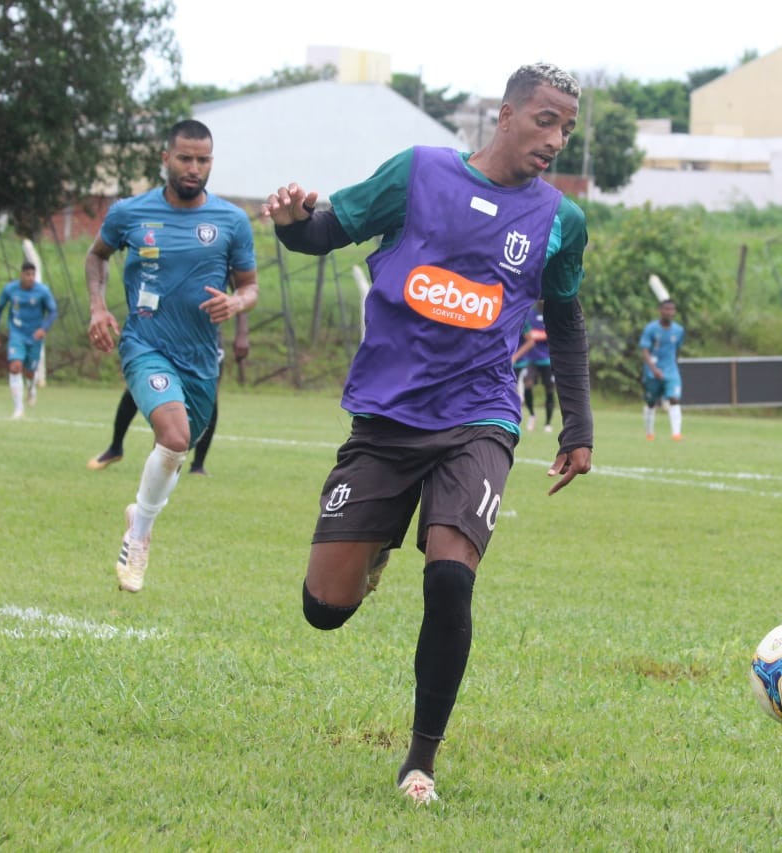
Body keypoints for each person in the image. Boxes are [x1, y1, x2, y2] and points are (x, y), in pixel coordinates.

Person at [261, 62, 593, 806]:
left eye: (567, 128)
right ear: (505, 115)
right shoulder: (416, 173)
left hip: (479, 417)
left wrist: (579, 424)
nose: (556, 139)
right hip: (385, 418)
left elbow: (566, 322)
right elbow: (324, 232)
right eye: (546, 120)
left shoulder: (560, 220)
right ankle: (372, 548)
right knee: (324, 608)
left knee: (450, 576)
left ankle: (420, 760)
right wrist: (289, 222)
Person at [86, 119, 258, 593]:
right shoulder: (130, 212)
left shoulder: (231, 221)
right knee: (175, 434)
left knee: (177, 447)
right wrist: (98, 308)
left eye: (203, 159)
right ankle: (139, 537)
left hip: (201, 358)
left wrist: (237, 302)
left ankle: (138, 513)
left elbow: (249, 287)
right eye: (185, 157)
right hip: (145, 345)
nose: (194, 168)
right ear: (166, 158)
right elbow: (96, 256)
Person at [88, 308, 250, 474]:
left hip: (204, 337)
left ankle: (198, 465)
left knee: (210, 394)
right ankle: (115, 448)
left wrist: (242, 333)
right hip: (164, 330)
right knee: (139, 386)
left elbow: (241, 287)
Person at [0, 261, 58, 419]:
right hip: (17, 334)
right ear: (21, 275)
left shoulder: (43, 291)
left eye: (33, 274)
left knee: (29, 372)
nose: (31, 278)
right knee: (15, 366)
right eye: (27, 274)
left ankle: (31, 387)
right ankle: (18, 409)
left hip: (34, 335)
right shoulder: (10, 289)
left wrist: (43, 328)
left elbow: (53, 311)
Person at [639, 298, 685, 440]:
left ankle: (676, 434)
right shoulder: (651, 329)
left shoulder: (679, 330)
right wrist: (653, 369)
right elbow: (645, 351)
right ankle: (649, 433)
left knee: (674, 399)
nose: (669, 312)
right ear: (660, 310)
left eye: (672, 309)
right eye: (666, 309)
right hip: (653, 371)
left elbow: (676, 349)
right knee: (651, 402)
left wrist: (673, 366)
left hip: (671, 370)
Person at [512, 302, 555, 432]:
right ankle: (531, 414)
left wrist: (538, 335)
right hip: (530, 359)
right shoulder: (529, 313)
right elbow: (529, 335)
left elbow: (556, 334)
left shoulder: (552, 313)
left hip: (547, 359)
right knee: (528, 384)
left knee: (549, 388)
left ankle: (547, 423)